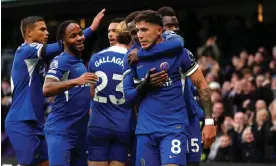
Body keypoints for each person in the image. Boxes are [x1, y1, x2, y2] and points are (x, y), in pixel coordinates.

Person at [4, 10, 104, 166]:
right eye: (42, 29)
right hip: (21, 120)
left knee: (45, 163)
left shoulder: (36, 57)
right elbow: (62, 44)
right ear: (29, 32)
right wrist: (89, 30)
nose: (46, 33)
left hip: (35, 120)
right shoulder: (27, 50)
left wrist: (84, 33)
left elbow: (66, 42)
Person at [123, 10, 215, 166]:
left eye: (144, 30)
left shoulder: (179, 53)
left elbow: (202, 85)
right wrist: (146, 85)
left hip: (174, 127)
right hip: (145, 130)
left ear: (159, 30)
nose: (139, 35)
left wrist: (209, 122)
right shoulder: (131, 58)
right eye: (137, 31)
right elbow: (128, 98)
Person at [42, 20, 99, 166]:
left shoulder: (78, 62)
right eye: (73, 36)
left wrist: (92, 28)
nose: (79, 38)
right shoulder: (60, 60)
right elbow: (47, 89)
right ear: (63, 41)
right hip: (61, 132)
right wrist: (76, 81)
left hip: (79, 133)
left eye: (80, 34)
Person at [87, 21, 133, 166]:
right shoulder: (134, 59)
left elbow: (91, 93)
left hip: (98, 123)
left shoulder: (96, 57)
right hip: (123, 124)